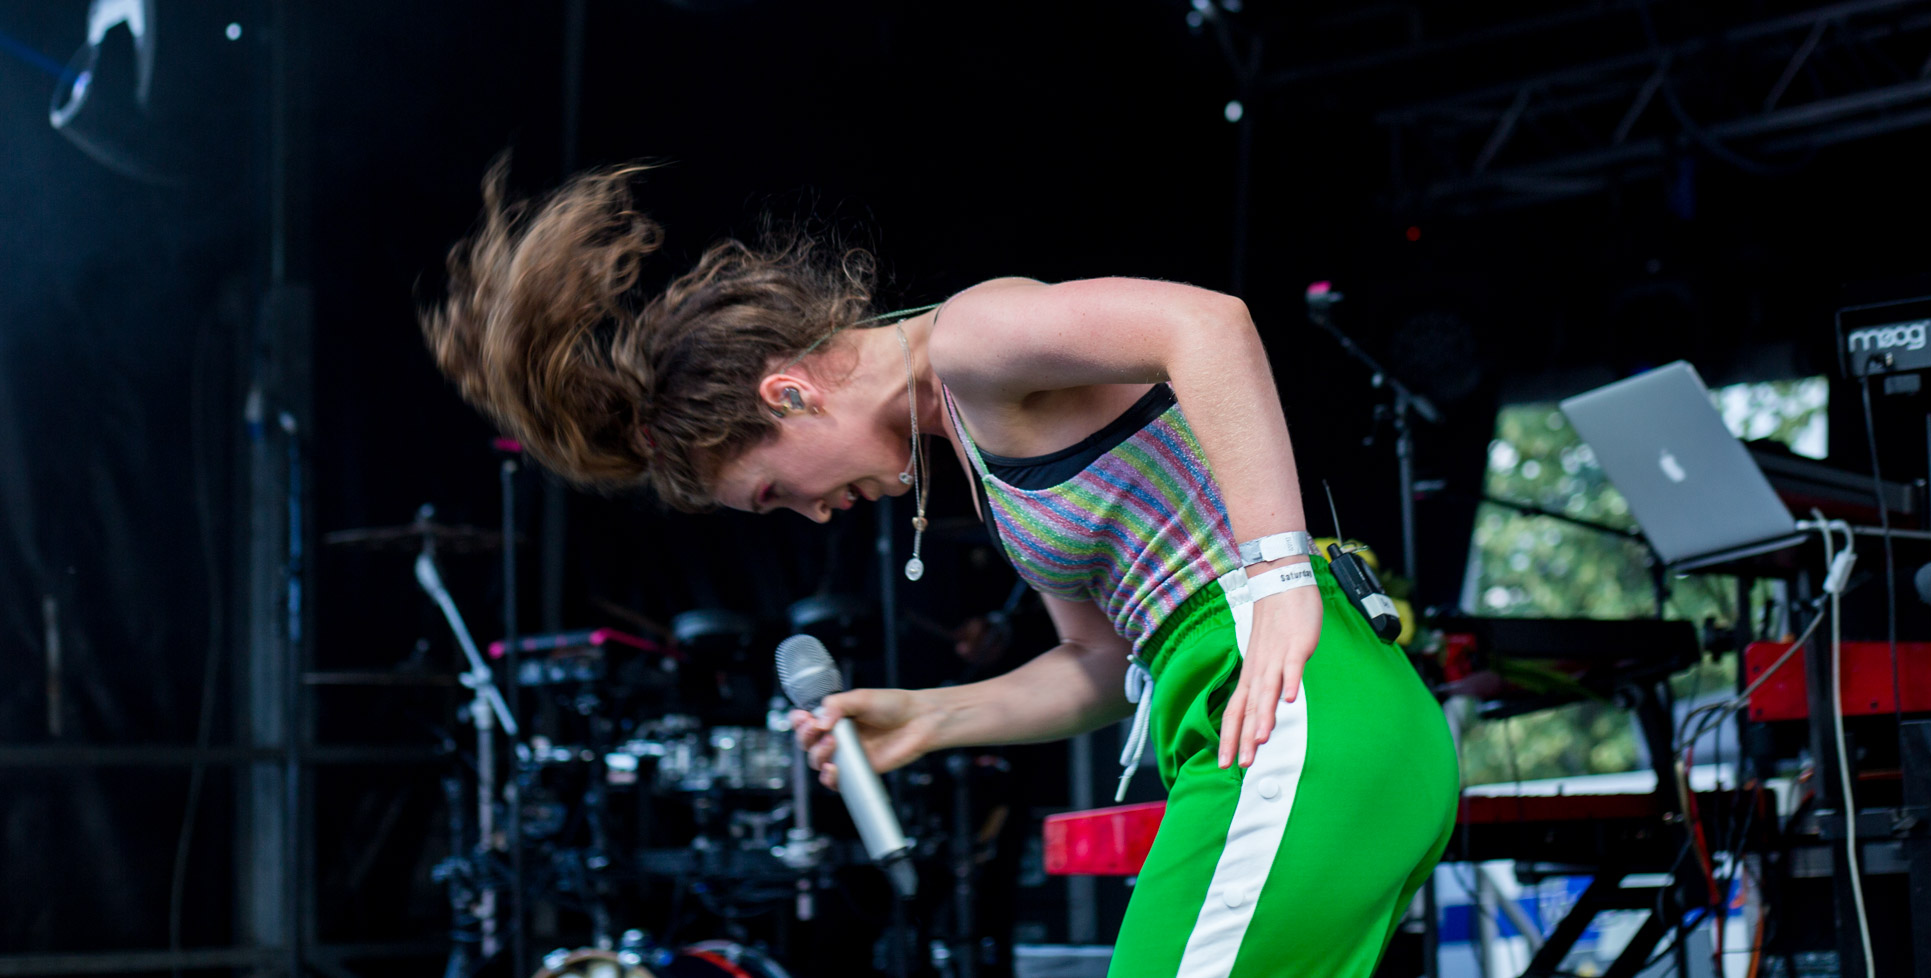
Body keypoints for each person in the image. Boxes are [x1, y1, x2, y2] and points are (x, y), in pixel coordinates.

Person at [424, 162, 1458, 978]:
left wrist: (1277, 574)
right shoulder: (974, 439)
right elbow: (1099, 663)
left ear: (788, 396)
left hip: (1296, 712)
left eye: (776, 493)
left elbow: (1207, 325)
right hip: (1261, 723)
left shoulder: (970, 339)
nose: (815, 513)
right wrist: (930, 717)